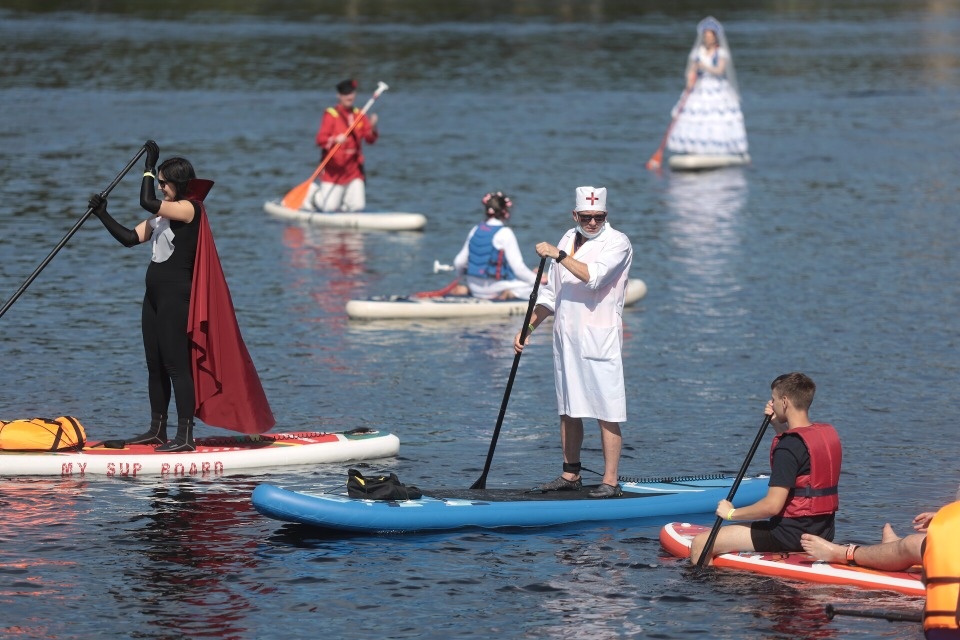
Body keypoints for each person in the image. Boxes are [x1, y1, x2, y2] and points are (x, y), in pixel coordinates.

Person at [88, 141, 274, 451]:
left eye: (163, 183)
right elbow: (129, 238)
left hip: (177, 297)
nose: (159, 188)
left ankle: (185, 436)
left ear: (178, 183)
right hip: (154, 298)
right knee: (155, 365)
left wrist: (148, 166)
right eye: (158, 182)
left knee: (176, 365)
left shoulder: (190, 209)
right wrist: (102, 215)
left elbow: (146, 201)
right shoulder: (162, 218)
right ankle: (156, 430)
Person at [514, 186, 633, 499]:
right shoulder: (568, 237)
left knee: (606, 410)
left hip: (599, 339)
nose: (592, 222)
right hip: (566, 340)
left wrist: (559, 255)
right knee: (569, 408)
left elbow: (594, 276)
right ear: (575, 215)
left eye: (598, 217)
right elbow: (551, 293)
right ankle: (571, 474)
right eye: (586, 217)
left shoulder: (617, 242)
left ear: (605, 215)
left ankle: (610, 480)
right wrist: (527, 327)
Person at [690, 372, 842, 565]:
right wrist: (778, 425)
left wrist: (731, 513)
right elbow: (800, 456)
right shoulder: (825, 436)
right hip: (824, 532)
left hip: (789, 535)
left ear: (784, 401)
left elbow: (772, 506)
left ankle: (704, 593)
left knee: (701, 543)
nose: (772, 404)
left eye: (774, 399)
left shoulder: (787, 448)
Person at [666, 16, 748, 158]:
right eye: (706, 36)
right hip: (699, 87)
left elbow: (720, 70)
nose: (708, 39)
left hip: (716, 87)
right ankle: (694, 148)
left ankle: (721, 148)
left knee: (716, 118)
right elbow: (691, 70)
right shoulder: (698, 52)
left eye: (710, 36)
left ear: (715, 37)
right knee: (696, 117)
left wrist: (704, 66)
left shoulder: (720, 53)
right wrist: (690, 81)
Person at [304, 78, 379, 212]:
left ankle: (345, 206)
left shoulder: (360, 114)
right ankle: (312, 194)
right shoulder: (331, 114)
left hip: (353, 172)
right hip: (333, 172)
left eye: (351, 93)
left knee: (358, 207)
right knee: (329, 207)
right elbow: (320, 140)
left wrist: (372, 128)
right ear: (339, 96)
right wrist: (334, 139)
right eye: (345, 94)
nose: (349, 97)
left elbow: (370, 140)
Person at [450, 191, 540, 300]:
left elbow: (458, 262)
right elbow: (518, 269)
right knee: (541, 288)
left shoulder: (475, 229)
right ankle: (510, 294)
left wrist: (461, 277)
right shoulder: (505, 233)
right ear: (505, 212)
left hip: (474, 287)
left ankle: (466, 289)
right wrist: (538, 280)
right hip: (494, 289)